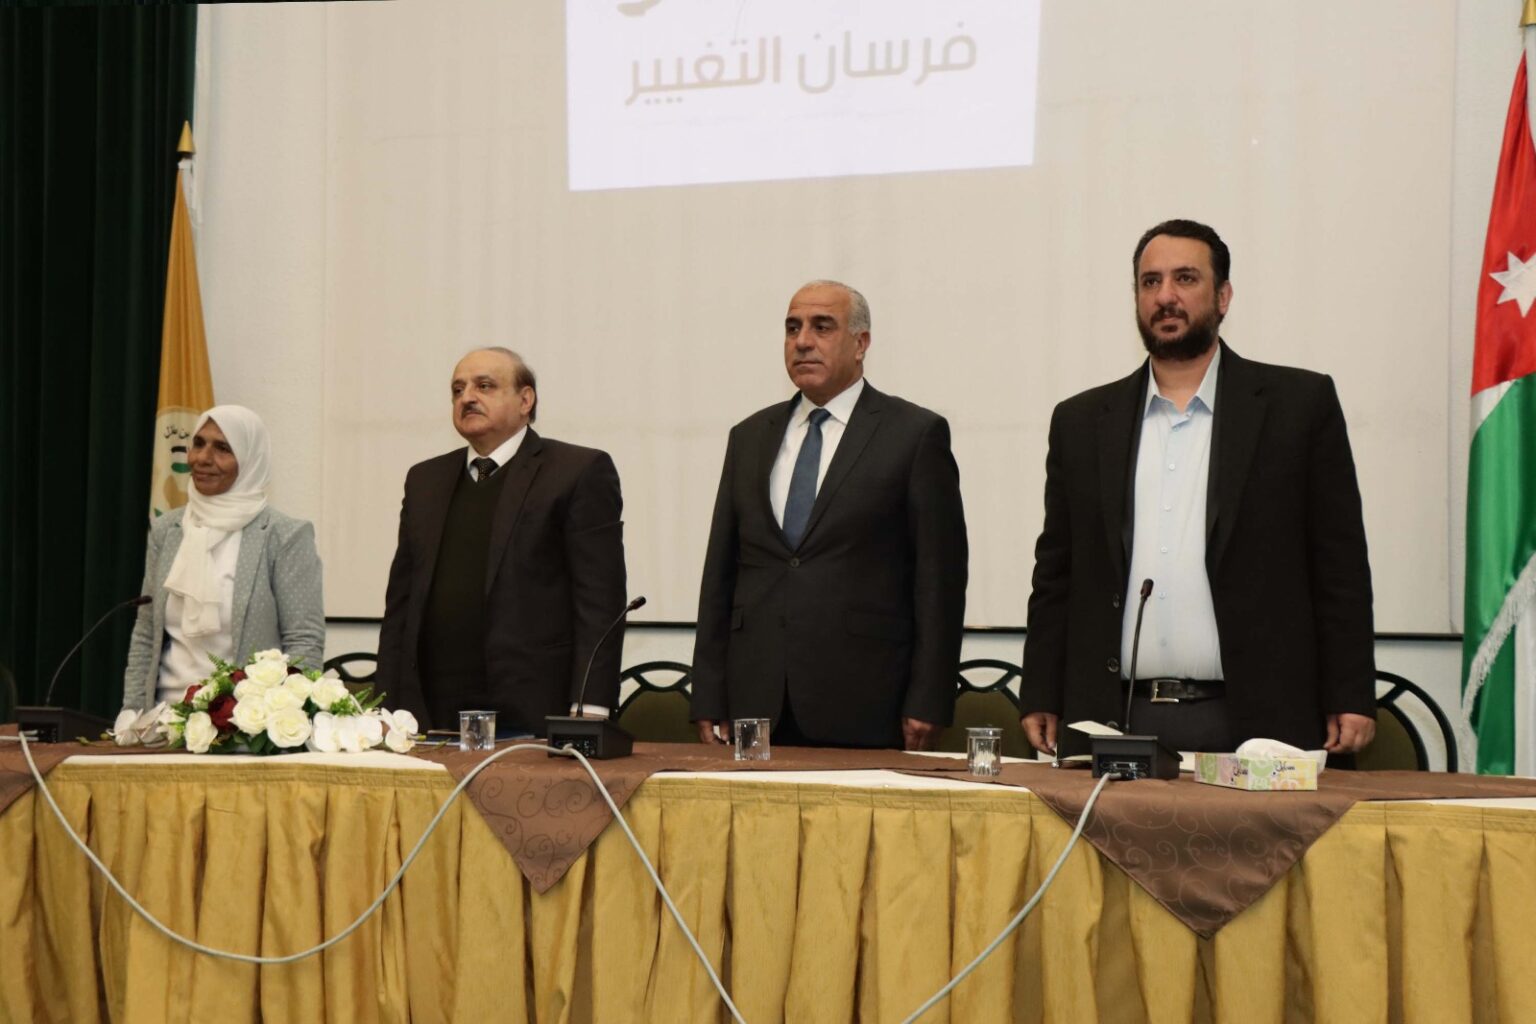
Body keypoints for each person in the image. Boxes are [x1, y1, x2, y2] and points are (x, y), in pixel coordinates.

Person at [1020, 219, 1377, 758]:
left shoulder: (1298, 406)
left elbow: (1339, 564)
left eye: (1185, 278)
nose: (1165, 296)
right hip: (1115, 716)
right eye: (1150, 282)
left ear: (1223, 296)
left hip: (1260, 719)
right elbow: (1056, 572)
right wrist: (1042, 690)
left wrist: (1349, 690)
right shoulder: (1082, 421)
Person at [691, 280, 968, 749]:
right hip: (754, 700)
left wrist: (929, 697)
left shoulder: (913, 435)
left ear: (861, 343)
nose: (802, 341)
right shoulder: (749, 436)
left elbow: (940, 580)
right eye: (792, 328)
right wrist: (708, 693)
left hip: (866, 698)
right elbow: (720, 574)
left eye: (822, 327)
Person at [376, 347, 628, 735]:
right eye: (457, 390)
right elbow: (401, 603)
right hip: (431, 707)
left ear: (525, 400)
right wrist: (385, 704)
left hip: (535, 705)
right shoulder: (425, 480)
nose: (467, 398)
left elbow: (600, 600)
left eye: (484, 386)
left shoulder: (576, 471)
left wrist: (590, 704)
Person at [122, 405, 325, 710]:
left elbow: (304, 643)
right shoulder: (168, 530)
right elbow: (146, 633)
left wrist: (282, 717)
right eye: (198, 443)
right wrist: (132, 711)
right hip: (163, 716)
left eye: (223, 448)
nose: (202, 458)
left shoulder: (284, 536)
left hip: (243, 722)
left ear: (250, 459)